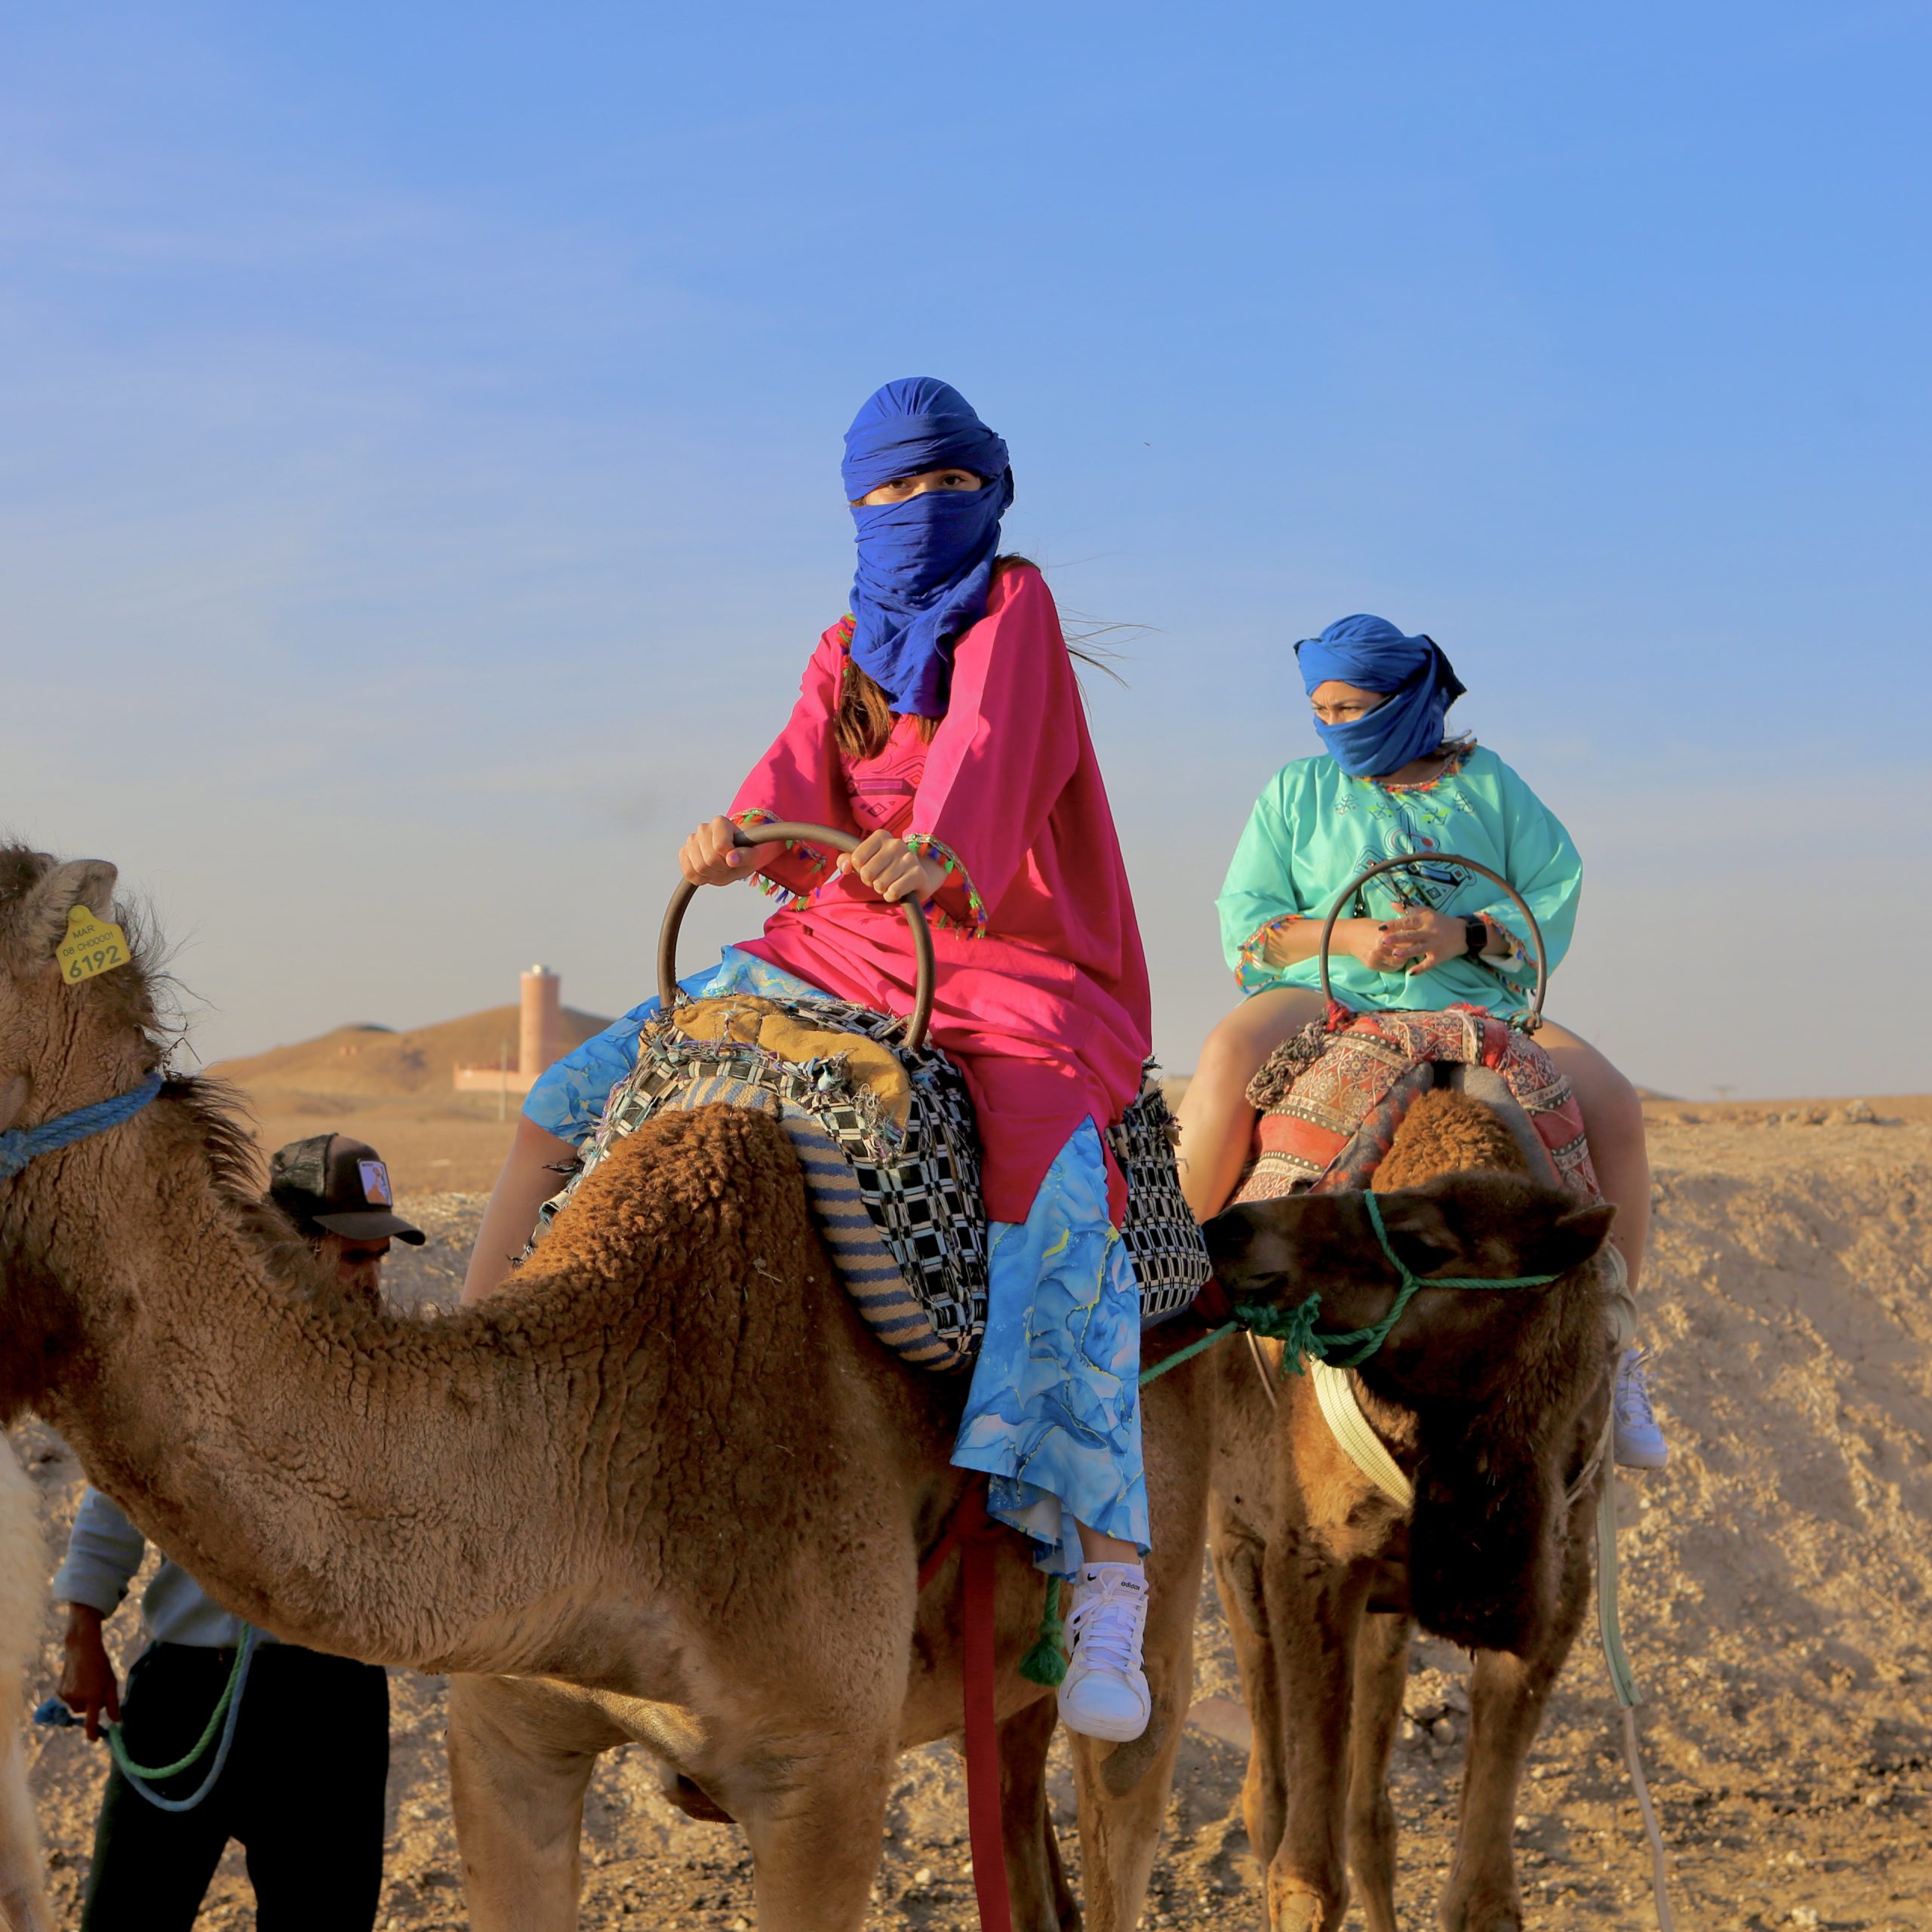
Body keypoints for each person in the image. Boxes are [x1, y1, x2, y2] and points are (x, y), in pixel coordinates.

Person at [462, 378, 1159, 1740]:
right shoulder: (845, 646)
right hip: (835, 941)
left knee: (1054, 1195)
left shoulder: (1017, 613)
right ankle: (475, 1387)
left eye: (937, 487)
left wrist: (940, 845)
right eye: (885, 494)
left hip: (1005, 957)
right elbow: (792, 784)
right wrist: (735, 838)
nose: (913, 515)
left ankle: (1108, 1572)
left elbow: (993, 755)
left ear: (989, 492)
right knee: (572, 1101)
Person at [1174, 614, 1667, 1469]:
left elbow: (1551, 889)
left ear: (1406, 701)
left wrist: (1465, 934)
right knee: (1223, 1058)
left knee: (1614, 1102)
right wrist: (1346, 936)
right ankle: (1171, 1295)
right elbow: (1248, 923)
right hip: (1329, 993)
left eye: (1353, 708)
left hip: (1474, 995)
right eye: (1321, 710)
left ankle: (1612, 1345)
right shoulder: (1296, 791)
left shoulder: (1488, 786)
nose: (1335, 726)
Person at [54, 1134, 424, 1930]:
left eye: (378, 1260)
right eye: (354, 1256)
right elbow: (120, 1493)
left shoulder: (397, 1382)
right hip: (183, 1688)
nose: (370, 1280)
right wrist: (83, 1626)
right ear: (286, 1243)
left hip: (329, 1705)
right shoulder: (182, 1362)